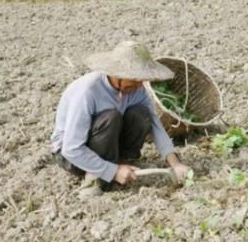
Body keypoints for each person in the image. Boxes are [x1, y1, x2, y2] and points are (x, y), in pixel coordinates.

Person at [50, 41, 190, 196]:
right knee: (111, 117)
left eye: (142, 79)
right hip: (71, 156)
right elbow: (71, 149)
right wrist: (112, 171)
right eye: (135, 79)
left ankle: (123, 161)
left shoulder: (137, 90)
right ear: (117, 74)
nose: (139, 84)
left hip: (106, 143)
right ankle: (95, 177)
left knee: (142, 114)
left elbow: (155, 125)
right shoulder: (88, 92)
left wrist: (175, 164)